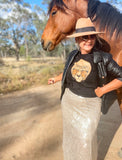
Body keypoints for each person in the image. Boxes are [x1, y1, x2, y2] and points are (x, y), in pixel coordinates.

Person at [48, 18, 122, 160]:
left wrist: (103, 90)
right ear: (77, 40)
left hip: (90, 105)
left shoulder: (103, 58)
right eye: (84, 37)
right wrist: (56, 79)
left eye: (92, 36)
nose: (89, 40)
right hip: (69, 102)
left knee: (86, 140)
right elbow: (69, 72)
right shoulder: (72, 56)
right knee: (71, 136)